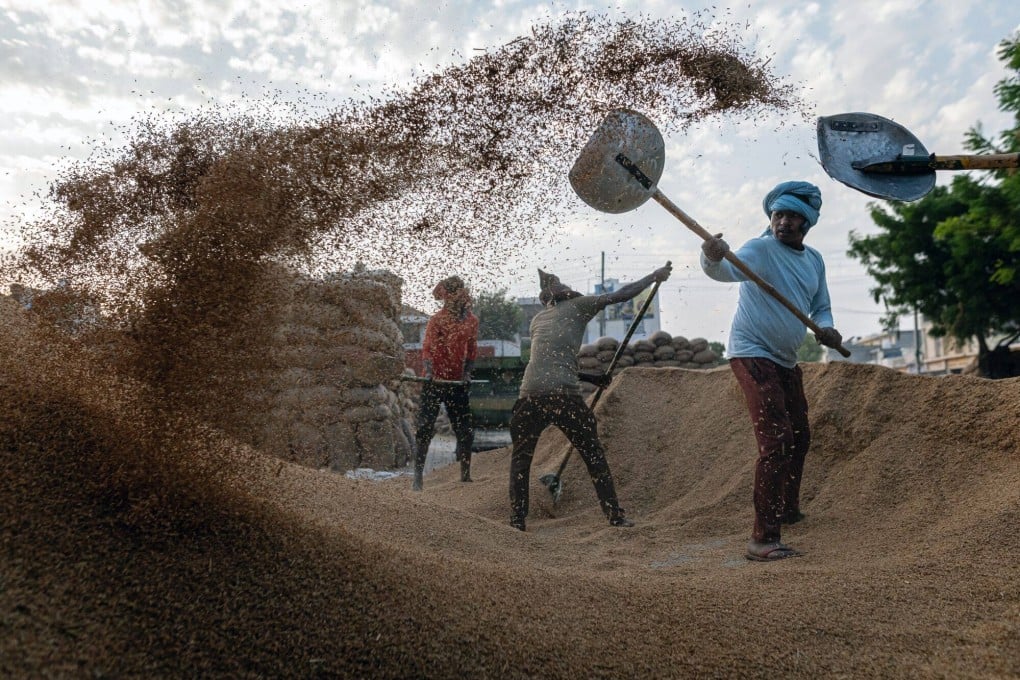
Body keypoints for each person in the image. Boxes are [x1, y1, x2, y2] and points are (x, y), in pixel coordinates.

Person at [699, 180, 843, 562]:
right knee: (777, 441)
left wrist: (827, 328)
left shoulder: (814, 260)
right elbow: (723, 272)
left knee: (800, 435)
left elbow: (822, 305)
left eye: (792, 217)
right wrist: (711, 257)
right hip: (751, 354)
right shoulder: (760, 249)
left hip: (784, 359)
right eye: (778, 214)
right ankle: (762, 539)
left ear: (807, 223)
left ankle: (787, 509)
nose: (783, 222)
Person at [508, 262, 673, 531]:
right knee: (594, 456)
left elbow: (555, 362)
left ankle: (517, 520)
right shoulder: (580, 305)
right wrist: (652, 277)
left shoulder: (537, 320)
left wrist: (593, 379)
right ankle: (615, 517)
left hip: (529, 396)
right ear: (565, 292)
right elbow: (622, 295)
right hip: (564, 397)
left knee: (520, 460)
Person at [412, 276, 479, 491]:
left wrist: (467, 374)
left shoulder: (471, 321)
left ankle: (465, 475)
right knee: (424, 427)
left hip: (457, 382)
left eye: (458, 299)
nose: (454, 303)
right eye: (450, 300)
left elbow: (472, 351)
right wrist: (429, 372)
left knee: (465, 430)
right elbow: (428, 348)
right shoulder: (437, 320)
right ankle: (418, 478)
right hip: (434, 381)